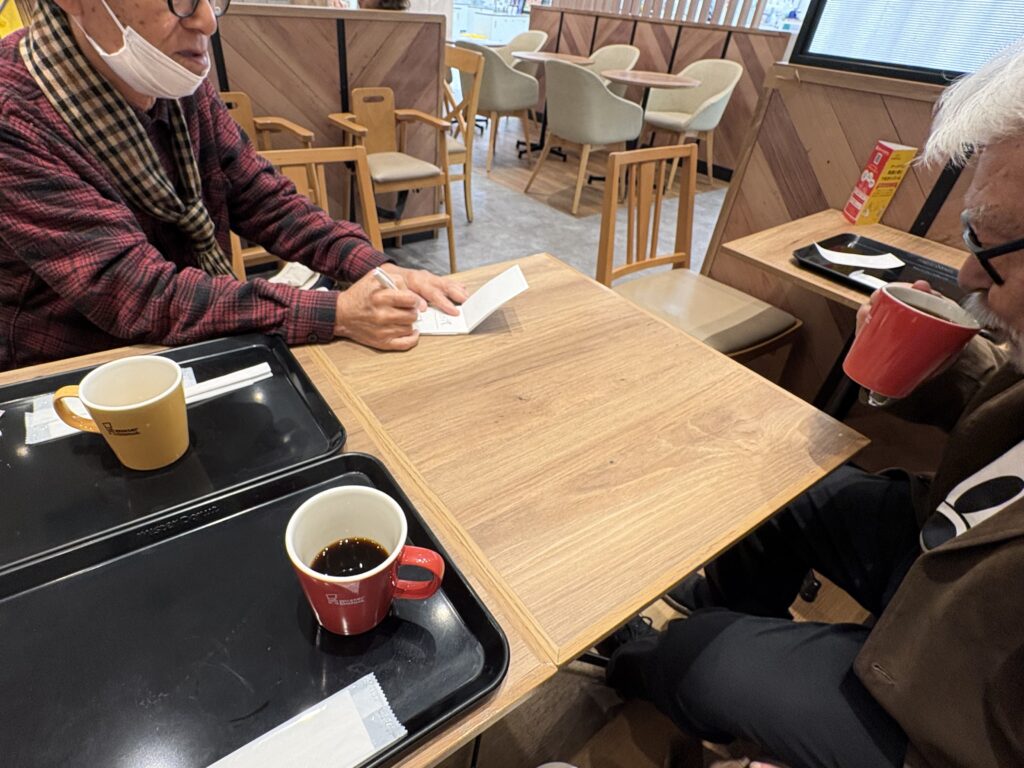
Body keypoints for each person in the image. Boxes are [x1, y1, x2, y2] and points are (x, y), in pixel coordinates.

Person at [604, 40, 1024, 768]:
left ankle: (658, 661)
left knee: (696, 657)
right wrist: (933, 364)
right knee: (779, 488)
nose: (966, 273)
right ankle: (720, 623)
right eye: (970, 236)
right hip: (944, 553)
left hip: (955, 706)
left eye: (991, 247)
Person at [0, 0, 467, 371]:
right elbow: (139, 292)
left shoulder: (172, 77)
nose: (206, 20)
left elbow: (262, 196)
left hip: (184, 351)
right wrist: (337, 313)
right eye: (179, 0)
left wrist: (374, 268)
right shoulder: (15, 118)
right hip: (68, 380)